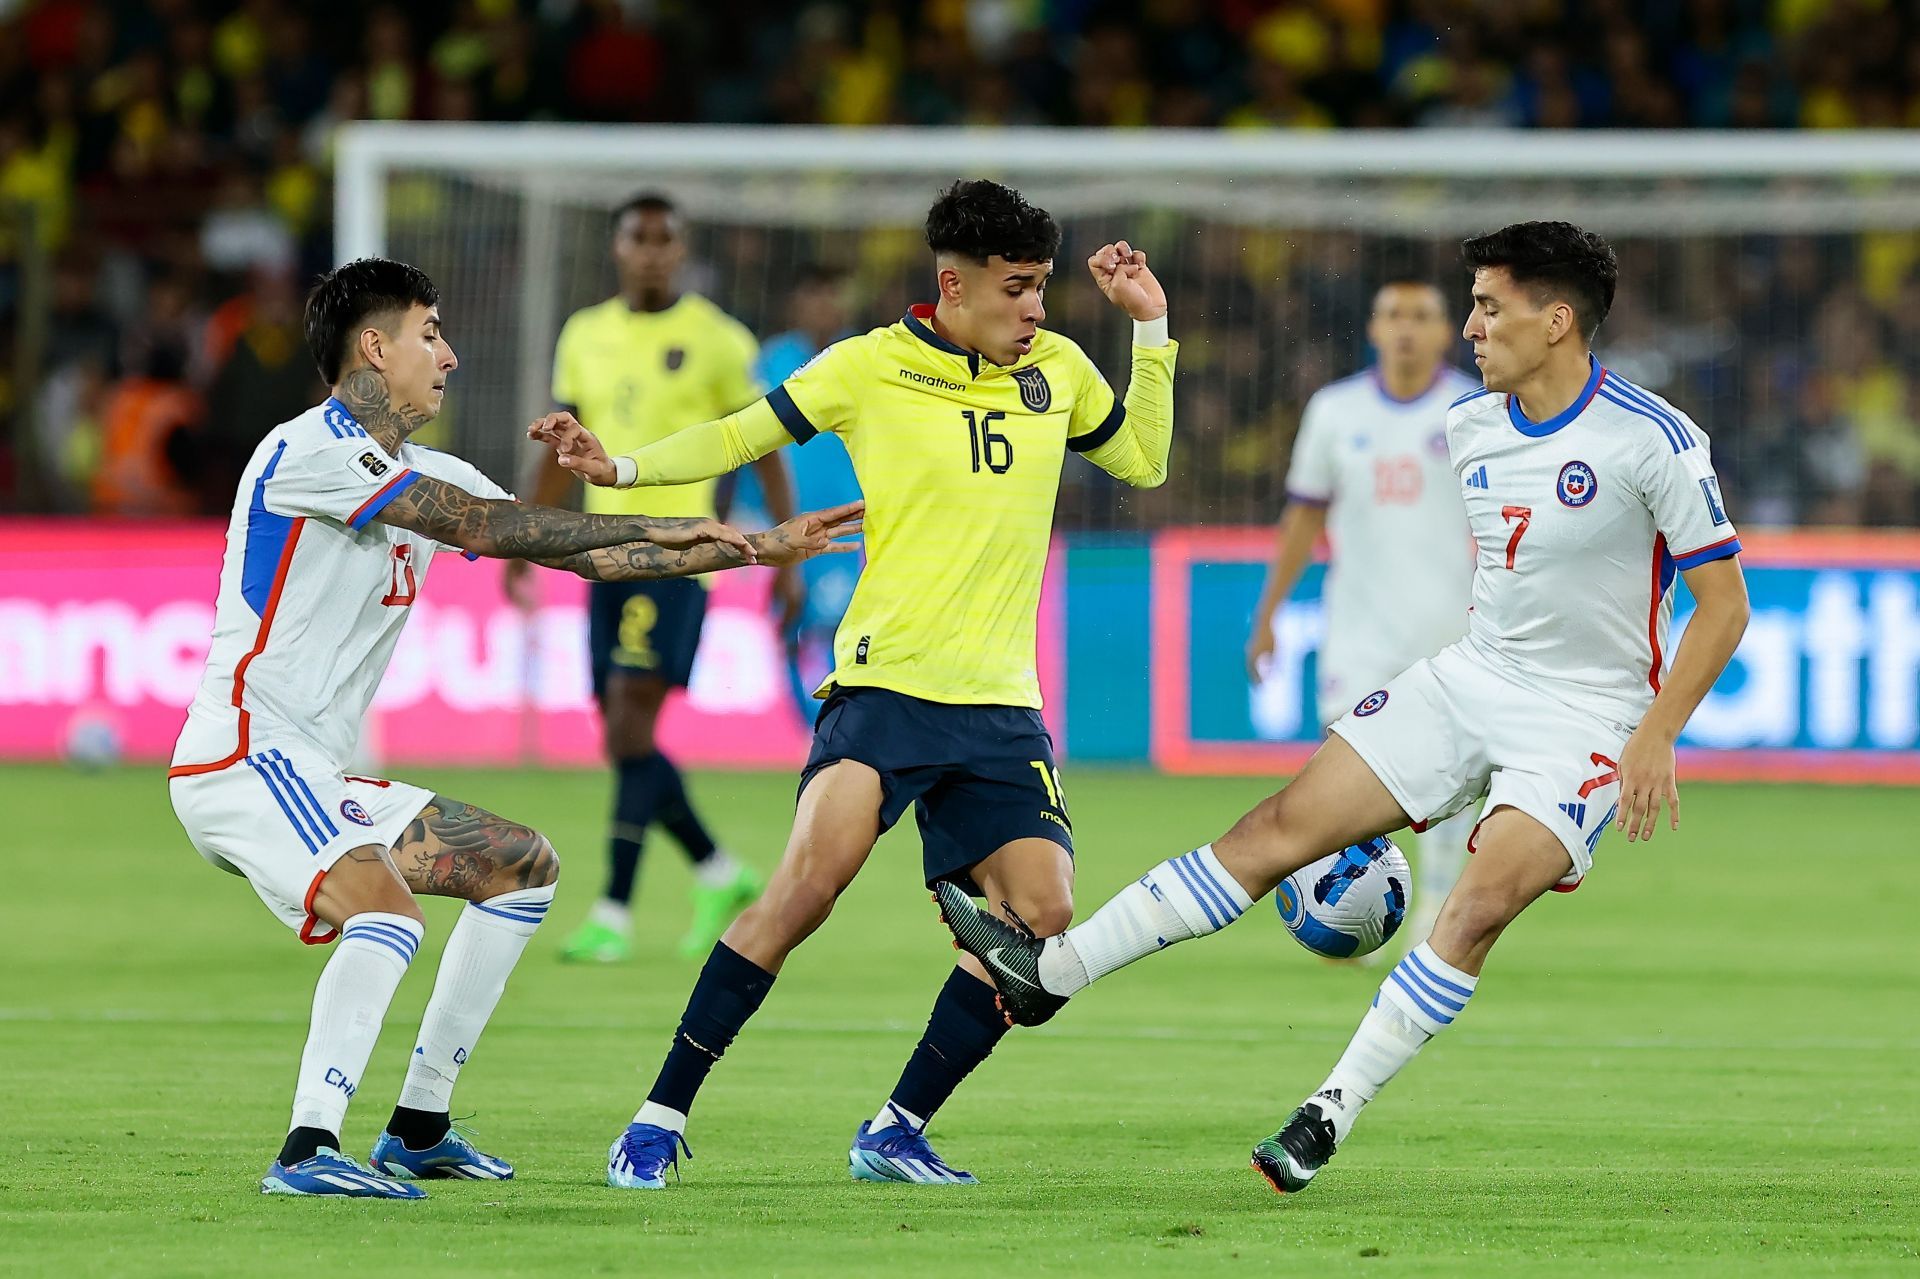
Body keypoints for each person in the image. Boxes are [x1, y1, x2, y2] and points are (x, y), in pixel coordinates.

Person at [936, 221, 1750, 1196]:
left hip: (1588, 720)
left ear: (1558, 319)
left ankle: (1329, 1108)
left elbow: (1725, 604)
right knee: (1276, 828)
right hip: (1471, 676)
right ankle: (1052, 972)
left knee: (1478, 903)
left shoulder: (1652, 439)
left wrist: (1656, 730)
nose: (1471, 326)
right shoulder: (1473, 428)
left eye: (1490, 306)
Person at [166, 257, 860, 1199]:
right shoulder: (311, 451)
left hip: (313, 768)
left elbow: (587, 554)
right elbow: (494, 527)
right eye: (430, 332)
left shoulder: (420, 469)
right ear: (374, 346)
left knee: (519, 864)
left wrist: (745, 546)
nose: (448, 355)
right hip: (245, 753)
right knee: (384, 909)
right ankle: (306, 1149)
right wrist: (674, 522)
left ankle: (418, 1123)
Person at [531, 179, 1178, 1189]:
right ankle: (656, 1118)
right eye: (1016, 290)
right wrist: (619, 469)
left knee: (1043, 923)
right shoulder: (871, 367)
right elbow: (740, 434)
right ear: (952, 284)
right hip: (884, 691)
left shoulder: (1057, 367)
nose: (1036, 311)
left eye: (1042, 289)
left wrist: (1154, 332)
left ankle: (895, 1129)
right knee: (805, 889)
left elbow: (1141, 461)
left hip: (1003, 707)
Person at [506, 192, 799, 965]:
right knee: (619, 730)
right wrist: (521, 537)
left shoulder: (718, 338)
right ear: (617, 246)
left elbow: (762, 444)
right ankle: (717, 869)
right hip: (601, 552)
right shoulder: (585, 333)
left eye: (665, 239)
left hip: (679, 553)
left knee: (632, 728)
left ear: (681, 249)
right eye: (638, 237)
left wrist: (782, 552)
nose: (651, 251)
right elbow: (557, 444)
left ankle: (614, 909)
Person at [1246, 280, 1480, 947]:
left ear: (1445, 332)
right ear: (1374, 331)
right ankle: (1346, 913)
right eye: (1392, 316)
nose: (1406, 328)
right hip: (1357, 634)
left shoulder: (1473, 410)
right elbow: (1302, 515)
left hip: (1449, 633)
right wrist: (1268, 613)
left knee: (1450, 790)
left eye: (1421, 317)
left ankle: (1434, 916)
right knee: (1347, 787)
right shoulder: (1334, 410)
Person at [733, 264, 863, 721]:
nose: (825, 307)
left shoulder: (864, 358)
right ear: (796, 304)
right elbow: (746, 444)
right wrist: (744, 509)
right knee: (789, 624)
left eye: (833, 296)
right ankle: (802, 724)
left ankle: (836, 723)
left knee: (839, 625)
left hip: (851, 526)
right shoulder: (769, 361)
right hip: (780, 526)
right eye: (815, 295)